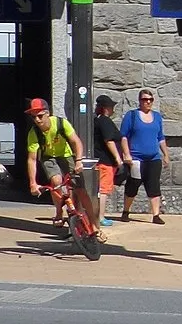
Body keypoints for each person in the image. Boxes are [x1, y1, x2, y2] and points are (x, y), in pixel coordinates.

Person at [22, 98, 84, 229]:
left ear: (47, 113)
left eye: (40, 116)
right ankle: (59, 212)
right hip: (48, 157)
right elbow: (32, 159)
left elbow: (76, 142)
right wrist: (32, 183)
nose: (37, 120)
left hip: (66, 155)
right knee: (56, 182)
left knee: (75, 184)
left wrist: (78, 160)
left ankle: (75, 212)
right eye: (34, 117)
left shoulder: (61, 123)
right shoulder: (34, 133)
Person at [119, 88, 166, 224]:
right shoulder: (131, 116)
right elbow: (123, 137)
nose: (148, 102)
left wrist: (166, 154)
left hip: (154, 158)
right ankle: (126, 211)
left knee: (154, 186)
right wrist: (126, 154)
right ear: (140, 101)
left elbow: (160, 137)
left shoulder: (157, 116)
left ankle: (156, 215)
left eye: (150, 100)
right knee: (133, 185)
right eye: (145, 99)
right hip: (136, 159)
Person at [91, 94, 128, 231]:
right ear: (106, 108)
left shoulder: (98, 120)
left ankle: (98, 216)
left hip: (103, 160)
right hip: (105, 161)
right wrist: (118, 159)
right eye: (112, 107)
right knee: (104, 190)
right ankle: (100, 217)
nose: (113, 109)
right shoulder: (104, 121)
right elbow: (109, 140)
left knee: (101, 189)